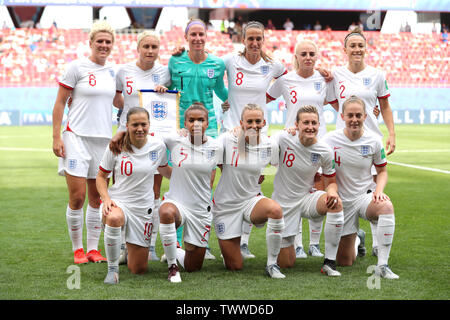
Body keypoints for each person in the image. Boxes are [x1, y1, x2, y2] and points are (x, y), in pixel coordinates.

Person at [52, 20, 119, 264]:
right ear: (90, 43)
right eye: (99, 41)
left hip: (102, 141)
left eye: (108, 42)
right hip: (76, 137)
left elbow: (120, 101)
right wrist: (56, 136)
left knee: (96, 198)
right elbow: (60, 102)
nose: (103, 45)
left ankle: (93, 249)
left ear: (112, 45)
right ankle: (77, 249)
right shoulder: (76, 68)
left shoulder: (114, 72)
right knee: (78, 197)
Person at [221, 21, 287, 258]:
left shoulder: (271, 66)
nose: (255, 43)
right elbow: (210, 72)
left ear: (263, 40)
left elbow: (288, 80)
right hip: (230, 132)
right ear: (243, 39)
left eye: (259, 38)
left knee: (254, 183)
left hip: (257, 133)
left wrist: (267, 98)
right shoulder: (230, 61)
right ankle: (212, 234)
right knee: (219, 182)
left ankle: (244, 241)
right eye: (251, 38)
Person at [328, 27, 396, 257]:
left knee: (375, 192)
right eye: (353, 46)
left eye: (360, 45)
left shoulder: (377, 75)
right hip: (343, 143)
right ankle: (353, 236)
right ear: (345, 49)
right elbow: (334, 103)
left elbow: (385, 106)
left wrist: (391, 134)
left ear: (366, 48)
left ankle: (378, 245)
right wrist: (350, 119)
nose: (357, 49)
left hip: (371, 140)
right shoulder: (335, 74)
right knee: (342, 191)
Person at [267, 40, 335, 259]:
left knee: (317, 189)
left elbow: (339, 103)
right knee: (293, 192)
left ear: (317, 56)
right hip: (293, 142)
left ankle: (314, 243)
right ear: (295, 56)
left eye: (311, 53)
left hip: (319, 140)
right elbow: (262, 98)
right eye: (303, 53)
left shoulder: (325, 79)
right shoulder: (285, 80)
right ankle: (296, 243)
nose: (308, 57)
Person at [167, 18, 228, 259]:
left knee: (205, 186)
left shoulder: (217, 63)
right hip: (182, 131)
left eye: (201, 34)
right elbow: (166, 87)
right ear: (186, 37)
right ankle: (180, 242)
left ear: (206, 36)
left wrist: (233, 101)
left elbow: (222, 92)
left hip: (209, 130)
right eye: (193, 34)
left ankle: (203, 239)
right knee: (180, 186)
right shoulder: (175, 60)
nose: (197, 38)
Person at [323, 96, 399, 279]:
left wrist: (378, 192)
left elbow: (382, 171)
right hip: (342, 201)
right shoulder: (329, 140)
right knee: (345, 260)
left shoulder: (373, 140)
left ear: (365, 116)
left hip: (364, 197)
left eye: (358, 115)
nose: (354, 119)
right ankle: (358, 239)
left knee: (386, 206)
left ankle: (382, 265)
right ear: (342, 116)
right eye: (350, 115)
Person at [113, 31, 171, 263]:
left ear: (159, 50)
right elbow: (117, 99)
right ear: (138, 48)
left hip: (153, 139)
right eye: (146, 46)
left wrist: (163, 93)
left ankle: (148, 246)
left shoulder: (164, 73)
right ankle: (120, 246)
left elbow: (169, 100)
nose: (150, 51)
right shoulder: (123, 71)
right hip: (126, 138)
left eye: (154, 47)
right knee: (121, 188)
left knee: (154, 192)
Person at [96, 107, 171, 284]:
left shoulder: (158, 146)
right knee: (114, 218)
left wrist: (190, 173)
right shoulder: (116, 146)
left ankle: (128, 249)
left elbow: (166, 171)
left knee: (139, 269)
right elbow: (100, 176)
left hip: (143, 208)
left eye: (143, 124)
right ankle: (112, 270)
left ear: (149, 125)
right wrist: (106, 199)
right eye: (135, 124)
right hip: (119, 201)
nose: (140, 128)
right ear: (127, 126)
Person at [212, 104, 285, 279]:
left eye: (257, 121)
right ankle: (231, 249)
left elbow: (270, 167)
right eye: (249, 121)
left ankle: (272, 265)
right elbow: (210, 155)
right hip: (226, 206)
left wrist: (259, 175)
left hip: (250, 200)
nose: (254, 125)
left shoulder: (270, 145)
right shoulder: (227, 140)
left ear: (264, 122)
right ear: (241, 123)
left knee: (275, 210)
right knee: (235, 266)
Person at [272, 106, 343, 276]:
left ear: (319, 125)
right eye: (306, 123)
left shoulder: (325, 151)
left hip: (306, 199)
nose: (310, 126)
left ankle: (329, 263)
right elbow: (263, 143)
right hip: (284, 203)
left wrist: (332, 192)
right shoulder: (284, 138)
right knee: (286, 263)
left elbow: (331, 182)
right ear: (296, 124)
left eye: (314, 123)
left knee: (335, 204)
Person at [158, 103, 223, 283]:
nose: (196, 124)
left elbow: (228, 168)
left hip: (201, 209)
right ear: (185, 123)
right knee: (166, 212)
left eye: (200, 120)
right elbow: (148, 137)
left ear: (207, 123)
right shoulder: (174, 140)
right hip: (177, 202)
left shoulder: (217, 146)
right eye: (191, 120)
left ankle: (174, 252)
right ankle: (172, 266)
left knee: (194, 266)